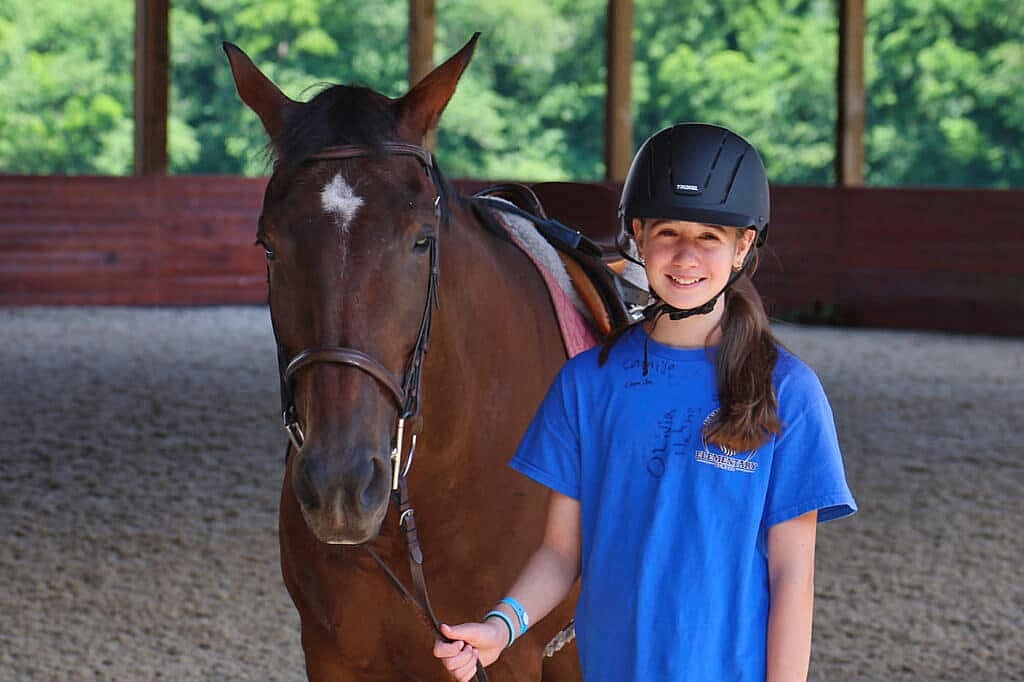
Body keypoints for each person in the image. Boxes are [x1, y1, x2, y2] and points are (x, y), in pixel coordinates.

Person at [433, 123, 857, 681]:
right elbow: (562, 553)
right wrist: (500, 627)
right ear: (638, 235)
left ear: (743, 247)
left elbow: (792, 576)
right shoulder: (587, 384)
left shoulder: (789, 392)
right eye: (668, 233)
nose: (686, 255)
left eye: (709, 236)